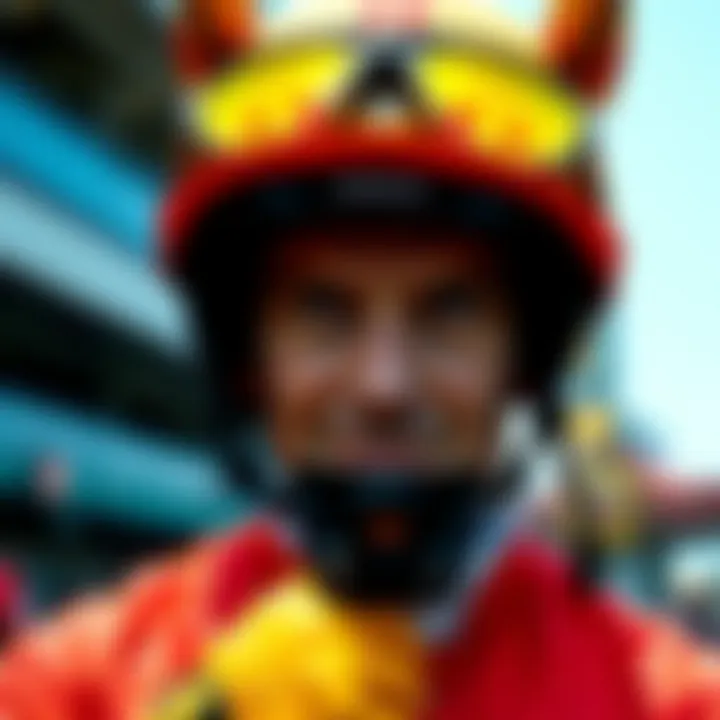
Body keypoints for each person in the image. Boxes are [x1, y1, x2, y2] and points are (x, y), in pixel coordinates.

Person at [2, 1, 719, 718]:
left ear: (526, 360)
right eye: (324, 311)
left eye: (448, 312)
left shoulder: (672, 700)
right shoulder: (77, 676)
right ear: (251, 355)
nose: (384, 385)